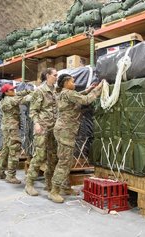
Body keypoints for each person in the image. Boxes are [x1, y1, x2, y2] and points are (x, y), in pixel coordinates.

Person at [48, 74, 103, 203]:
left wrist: (88, 89)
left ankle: (65, 187)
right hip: (65, 131)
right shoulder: (69, 93)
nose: (75, 84)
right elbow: (86, 100)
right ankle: (54, 191)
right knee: (64, 162)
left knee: (67, 160)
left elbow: (78, 96)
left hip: (64, 130)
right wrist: (98, 89)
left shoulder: (62, 93)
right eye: (73, 82)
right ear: (66, 82)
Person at [25, 68, 58, 196]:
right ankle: (29, 184)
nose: (56, 77)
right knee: (39, 156)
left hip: (53, 128)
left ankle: (49, 184)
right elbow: (33, 111)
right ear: (48, 76)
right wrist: (37, 123)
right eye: (55, 75)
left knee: (52, 156)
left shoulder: (55, 90)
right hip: (42, 127)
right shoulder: (39, 91)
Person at [0, 84, 31, 184]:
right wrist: (36, 94)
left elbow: (19, 94)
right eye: (11, 90)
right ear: (6, 92)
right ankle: (11, 175)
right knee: (14, 149)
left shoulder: (6, 98)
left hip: (7, 126)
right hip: (12, 127)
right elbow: (23, 100)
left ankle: (0, 171)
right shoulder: (10, 100)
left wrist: (27, 91)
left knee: (6, 148)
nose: (14, 91)